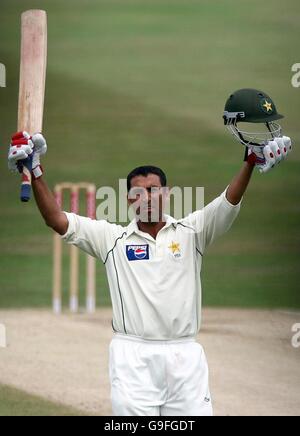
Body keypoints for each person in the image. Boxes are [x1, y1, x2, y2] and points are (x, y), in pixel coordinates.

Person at [7, 89, 291, 416]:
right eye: (139, 193)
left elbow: (227, 200)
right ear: (129, 200)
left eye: (154, 190)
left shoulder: (192, 232)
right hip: (133, 358)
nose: (147, 197)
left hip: (186, 357)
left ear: (167, 194)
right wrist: (36, 171)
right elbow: (55, 219)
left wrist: (250, 162)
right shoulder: (111, 239)